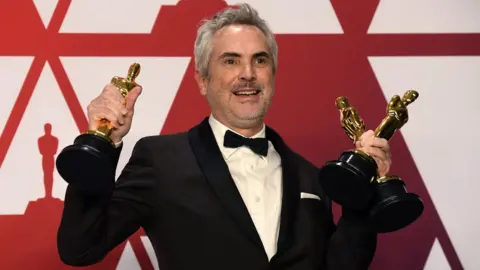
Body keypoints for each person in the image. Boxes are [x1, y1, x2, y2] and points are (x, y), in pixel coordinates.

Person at [57, 3, 392, 270]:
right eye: (231, 61)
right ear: (203, 80)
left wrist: (359, 200)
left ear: (272, 75)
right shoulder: (160, 160)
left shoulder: (311, 176)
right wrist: (102, 142)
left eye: (259, 61)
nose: (247, 74)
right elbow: (80, 247)